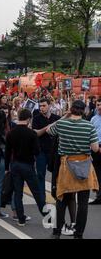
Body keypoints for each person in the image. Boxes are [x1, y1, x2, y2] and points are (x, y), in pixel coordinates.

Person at [47, 100, 99, 239]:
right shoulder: (89, 126)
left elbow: (48, 130)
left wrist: (64, 116)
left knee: (62, 198)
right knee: (83, 202)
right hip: (84, 165)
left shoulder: (62, 124)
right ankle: (79, 234)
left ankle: (57, 232)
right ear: (84, 111)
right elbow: (94, 148)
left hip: (66, 165)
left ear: (70, 109)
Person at [5, 109, 45, 227]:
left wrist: (7, 167)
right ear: (28, 119)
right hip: (28, 165)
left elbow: (7, 152)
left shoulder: (11, 133)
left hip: (15, 164)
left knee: (18, 193)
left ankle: (21, 218)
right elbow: (37, 151)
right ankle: (45, 214)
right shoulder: (31, 133)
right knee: (36, 192)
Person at [32, 98, 60, 203]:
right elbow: (36, 133)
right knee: (40, 174)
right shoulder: (36, 119)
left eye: (44, 106)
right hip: (41, 151)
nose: (41, 108)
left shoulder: (56, 118)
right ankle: (41, 198)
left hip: (54, 150)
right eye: (40, 106)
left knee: (56, 174)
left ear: (49, 105)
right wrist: (48, 127)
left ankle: (56, 194)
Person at [90, 98, 101, 205]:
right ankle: (99, 196)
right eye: (98, 105)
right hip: (95, 148)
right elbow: (90, 135)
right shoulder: (93, 119)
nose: (99, 107)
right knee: (97, 173)